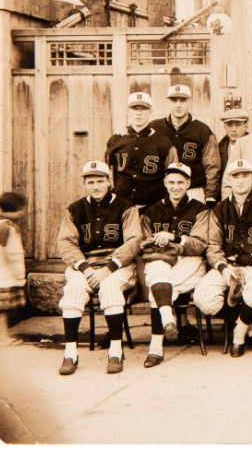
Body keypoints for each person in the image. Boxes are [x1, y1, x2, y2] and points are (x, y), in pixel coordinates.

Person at [56, 161, 142, 375]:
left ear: (109, 182)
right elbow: (66, 243)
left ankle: (115, 351)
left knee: (110, 287)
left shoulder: (125, 206)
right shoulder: (75, 209)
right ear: (85, 184)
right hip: (86, 264)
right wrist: (85, 268)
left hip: (117, 264)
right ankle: (70, 353)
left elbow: (134, 241)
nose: (96, 186)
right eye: (90, 182)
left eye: (100, 181)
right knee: (74, 288)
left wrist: (109, 268)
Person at [193, 159, 252, 357]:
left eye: (245, 175)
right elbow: (213, 246)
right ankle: (247, 325)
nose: (240, 181)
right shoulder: (219, 209)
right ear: (228, 181)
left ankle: (240, 332)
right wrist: (223, 269)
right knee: (202, 296)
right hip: (230, 264)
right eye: (235, 176)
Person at [139, 163, 209, 368]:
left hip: (191, 263)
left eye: (180, 182)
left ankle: (156, 346)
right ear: (164, 183)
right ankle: (166, 321)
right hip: (160, 260)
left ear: (188, 183)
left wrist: (174, 238)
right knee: (158, 271)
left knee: (157, 286)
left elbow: (200, 245)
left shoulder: (200, 209)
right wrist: (157, 241)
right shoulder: (152, 211)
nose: (175, 186)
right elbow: (142, 243)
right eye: (171, 182)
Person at [148, 85, 221, 206]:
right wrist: (124, 132)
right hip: (162, 190)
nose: (178, 105)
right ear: (168, 103)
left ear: (189, 103)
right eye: (174, 100)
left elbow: (212, 167)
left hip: (193, 189)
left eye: (183, 100)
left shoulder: (202, 130)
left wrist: (211, 196)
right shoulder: (155, 127)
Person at [105, 92, 178, 210]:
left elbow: (173, 175)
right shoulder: (115, 140)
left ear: (150, 111)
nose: (138, 113)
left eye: (143, 109)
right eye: (134, 109)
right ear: (128, 112)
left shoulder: (163, 143)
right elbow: (107, 173)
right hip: (121, 206)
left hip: (153, 207)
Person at [0, 192, 28, 326]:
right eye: (22, 209)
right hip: (5, 276)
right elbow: (11, 253)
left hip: (1, 274)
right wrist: (18, 275)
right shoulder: (8, 228)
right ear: (16, 211)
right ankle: (3, 337)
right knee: (2, 311)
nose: (23, 213)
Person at [217, 107, 250, 189]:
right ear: (224, 127)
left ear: (246, 126)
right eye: (229, 125)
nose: (234, 129)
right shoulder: (218, 150)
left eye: (238, 125)